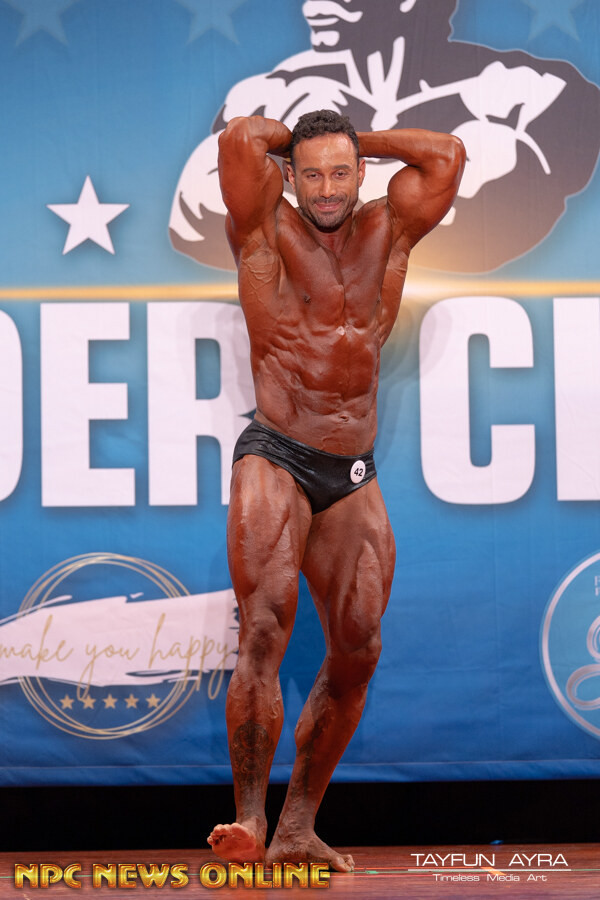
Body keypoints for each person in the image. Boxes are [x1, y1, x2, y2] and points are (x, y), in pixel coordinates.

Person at [207, 109, 465, 872]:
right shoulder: (265, 230)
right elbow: (240, 140)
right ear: (289, 174)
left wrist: (357, 139)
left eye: (341, 172)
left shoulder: (391, 228)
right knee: (264, 625)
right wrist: (295, 144)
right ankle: (248, 820)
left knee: (359, 651)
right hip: (276, 454)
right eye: (311, 173)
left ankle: (296, 827)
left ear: (362, 173)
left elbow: (447, 155)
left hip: (352, 470)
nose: (326, 188)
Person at [170, 0, 600, 273]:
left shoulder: (535, 88)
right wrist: (314, 148)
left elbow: (501, 209)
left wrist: (336, 149)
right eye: (311, 173)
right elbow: (195, 213)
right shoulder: (270, 92)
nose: (313, 5)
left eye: (343, 172)